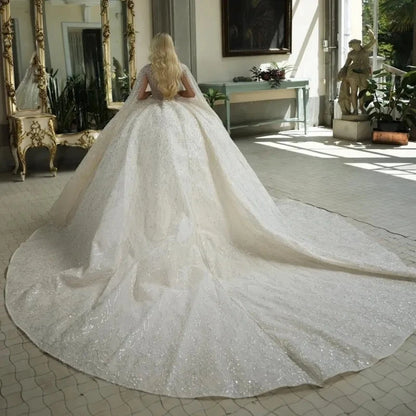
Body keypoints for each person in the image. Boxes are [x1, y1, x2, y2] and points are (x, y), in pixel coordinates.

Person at [6, 33, 416, 398]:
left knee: (144, 178)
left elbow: (139, 99)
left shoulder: (148, 69)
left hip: (150, 126)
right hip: (182, 126)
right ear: (174, 51)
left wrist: (151, 98)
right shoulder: (180, 68)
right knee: (192, 174)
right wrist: (176, 97)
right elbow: (191, 97)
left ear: (154, 53)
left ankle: (145, 229)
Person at [338, 26, 376, 115]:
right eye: (352, 46)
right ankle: (355, 109)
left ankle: (361, 107)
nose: (353, 47)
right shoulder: (351, 54)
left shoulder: (365, 50)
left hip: (364, 73)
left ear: (358, 44)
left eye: (354, 45)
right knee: (354, 91)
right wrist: (343, 72)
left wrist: (371, 33)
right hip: (352, 73)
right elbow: (347, 64)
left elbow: (373, 41)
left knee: (362, 91)